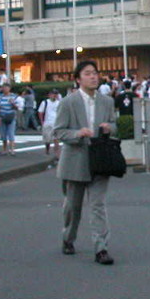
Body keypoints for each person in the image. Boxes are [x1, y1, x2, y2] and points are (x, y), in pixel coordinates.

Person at [55, 60, 118, 264]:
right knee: (73, 206)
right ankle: (68, 238)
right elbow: (59, 131)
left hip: (100, 159)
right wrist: (77, 133)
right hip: (75, 159)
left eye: (95, 73)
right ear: (78, 79)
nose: (93, 77)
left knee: (98, 204)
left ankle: (101, 248)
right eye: (88, 73)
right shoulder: (68, 102)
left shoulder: (107, 101)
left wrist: (110, 128)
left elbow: (116, 125)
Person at [0, 83, 21, 156]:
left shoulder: (14, 96)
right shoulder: (0, 97)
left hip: (11, 116)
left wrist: (13, 103)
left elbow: (17, 108)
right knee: (3, 134)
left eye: (7, 88)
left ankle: (12, 149)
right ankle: (4, 149)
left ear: (9, 88)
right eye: (4, 88)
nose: (5, 89)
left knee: (11, 133)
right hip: (2, 116)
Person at [38, 89, 63, 163]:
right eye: (53, 94)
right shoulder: (45, 102)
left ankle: (58, 155)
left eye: (56, 94)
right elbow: (40, 112)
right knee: (47, 139)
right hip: (47, 123)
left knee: (56, 139)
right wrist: (42, 122)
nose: (54, 95)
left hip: (56, 123)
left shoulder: (59, 103)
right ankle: (47, 148)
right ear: (49, 95)